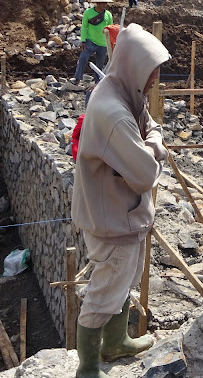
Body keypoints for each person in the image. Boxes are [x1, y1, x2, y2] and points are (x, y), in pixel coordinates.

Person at [71, 23, 170, 377]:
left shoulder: (126, 93)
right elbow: (144, 174)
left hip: (120, 214)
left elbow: (152, 126)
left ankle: (115, 343)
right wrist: (154, 150)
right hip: (113, 219)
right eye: (153, 69)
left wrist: (152, 143)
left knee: (121, 283)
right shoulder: (114, 113)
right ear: (135, 66)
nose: (156, 78)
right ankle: (88, 367)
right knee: (104, 290)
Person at [73, 0, 114, 84]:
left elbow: (110, 28)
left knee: (100, 63)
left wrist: (111, 43)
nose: (105, 5)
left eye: (106, 3)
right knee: (83, 58)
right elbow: (84, 27)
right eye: (103, 3)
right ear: (98, 3)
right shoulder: (88, 13)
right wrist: (83, 40)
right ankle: (78, 78)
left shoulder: (108, 15)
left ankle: (97, 82)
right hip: (90, 41)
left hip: (103, 43)